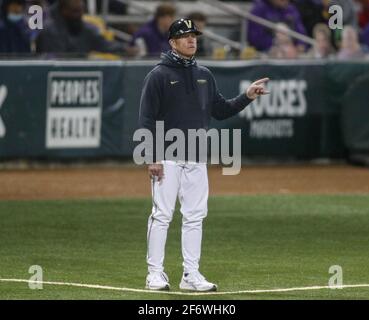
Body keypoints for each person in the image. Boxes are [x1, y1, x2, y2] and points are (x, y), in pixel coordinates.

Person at [139, 18, 269, 291]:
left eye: (194, 36)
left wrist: (247, 96)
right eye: (185, 36)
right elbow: (147, 119)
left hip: (197, 155)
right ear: (173, 42)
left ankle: (190, 275)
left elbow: (220, 110)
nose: (191, 40)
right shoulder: (158, 75)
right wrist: (151, 156)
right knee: (162, 214)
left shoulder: (204, 75)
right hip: (167, 155)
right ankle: (154, 273)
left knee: (195, 216)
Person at [36, 0, 131, 56]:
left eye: (81, 11)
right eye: (75, 11)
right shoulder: (49, 30)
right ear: (64, 10)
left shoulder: (85, 29)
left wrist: (125, 49)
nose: (79, 15)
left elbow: (105, 44)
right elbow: (51, 60)